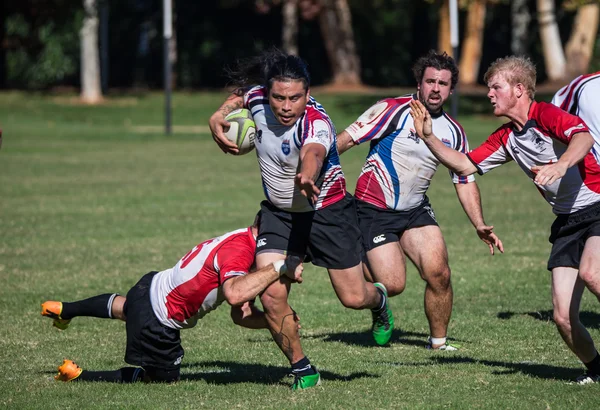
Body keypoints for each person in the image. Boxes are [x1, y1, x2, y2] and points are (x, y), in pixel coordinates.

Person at [209, 48, 393, 389]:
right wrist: (217, 115)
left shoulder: (317, 123)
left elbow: (314, 152)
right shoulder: (258, 99)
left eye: (295, 98)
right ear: (268, 93)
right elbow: (241, 96)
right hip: (279, 215)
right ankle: (303, 368)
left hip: (328, 214)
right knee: (272, 296)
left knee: (353, 297)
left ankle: (379, 301)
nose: (285, 106)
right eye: (278, 97)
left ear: (307, 94)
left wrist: (308, 175)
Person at [410, 56, 600, 384]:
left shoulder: (546, 115)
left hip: (597, 206)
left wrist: (562, 164)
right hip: (567, 222)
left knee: (592, 273)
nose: (489, 94)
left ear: (519, 90)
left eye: (495, 87)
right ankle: (597, 369)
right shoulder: (507, 137)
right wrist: (429, 136)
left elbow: (583, 137)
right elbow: (465, 165)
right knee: (563, 317)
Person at [336, 50, 503, 350]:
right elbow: (346, 140)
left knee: (439, 273)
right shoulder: (391, 110)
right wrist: (315, 168)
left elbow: (463, 179)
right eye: (430, 81)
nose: (436, 88)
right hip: (373, 209)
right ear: (419, 83)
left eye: (443, 83)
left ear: (451, 89)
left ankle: (438, 344)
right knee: (393, 284)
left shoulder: (453, 131)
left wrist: (479, 223)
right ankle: (374, 293)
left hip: (415, 210)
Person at [41, 215, 304, 385]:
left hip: (149, 287)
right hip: (159, 321)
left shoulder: (241, 238)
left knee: (126, 308)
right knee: (160, 381)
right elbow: (236, 294)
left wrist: (276, 321)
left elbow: (241, 314)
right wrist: (280, 266)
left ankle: (67, 309)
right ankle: (77, 376)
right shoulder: (240, 251)